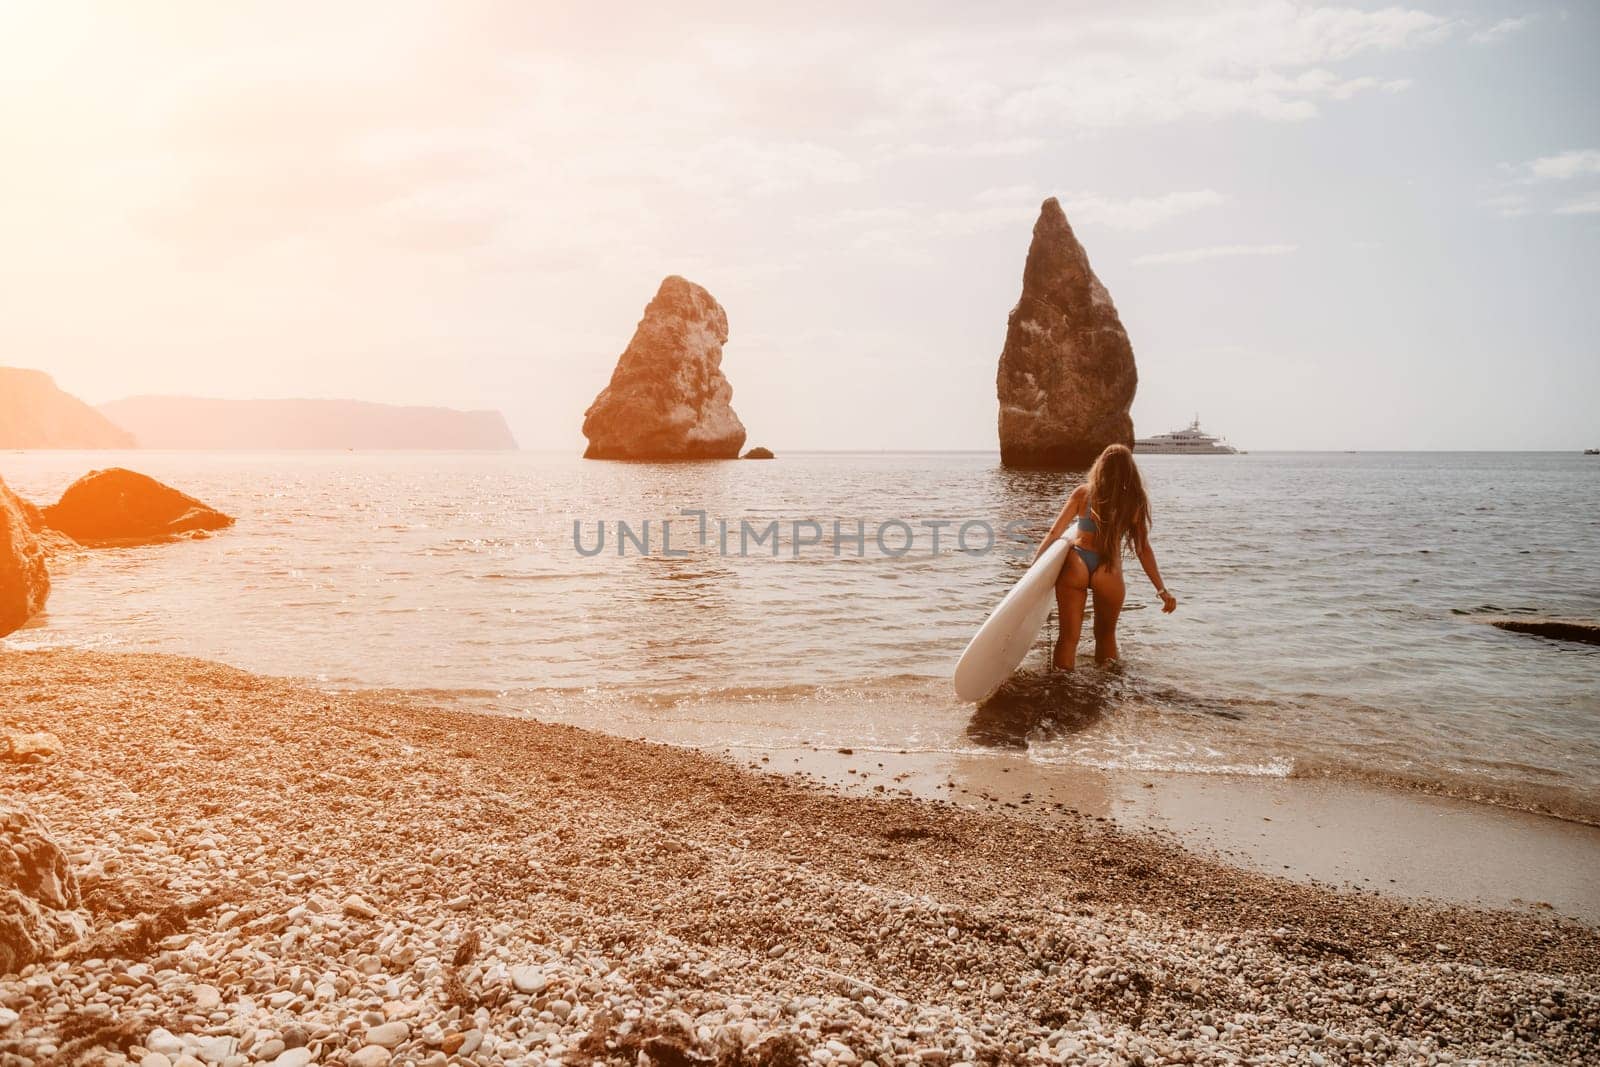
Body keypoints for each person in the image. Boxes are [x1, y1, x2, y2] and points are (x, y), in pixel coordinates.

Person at [1033, 444, 1177, 670]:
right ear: (1131, 471)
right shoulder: (1134, 501)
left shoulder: (1083, 493)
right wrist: (1161, 589)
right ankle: (1106, 691)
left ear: (1101, 465)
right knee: (1106, 636)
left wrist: (1034, 570)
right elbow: (1143, 549)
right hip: (1108, 568)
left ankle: (1062, 691)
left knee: (1068, 638)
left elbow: (1055, 533)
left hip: (1077, 562)